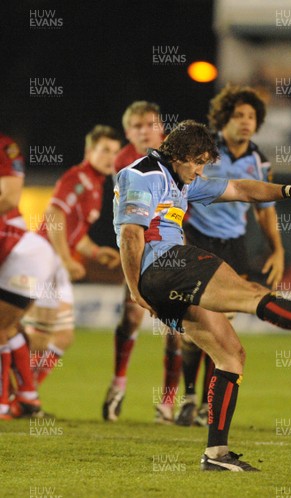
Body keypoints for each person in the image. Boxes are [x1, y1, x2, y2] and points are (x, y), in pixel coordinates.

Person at [114, 120, 291, 471]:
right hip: (164, 263)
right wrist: (138, 291)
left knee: (231, 354)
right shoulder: (142, 174)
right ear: (181, 155)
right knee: (252, 295)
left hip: (163, 276)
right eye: (198, 162)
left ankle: (216, 455)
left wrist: (290, 190)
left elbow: (242, 189)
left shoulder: (179, 180)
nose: (200, 171)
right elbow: (130, 236)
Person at [176, 84, 285, 427]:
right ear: (224, 118)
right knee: (192, 330)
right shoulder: (204, 149)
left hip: (232, 246)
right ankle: (189, 397)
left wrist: (277, 249)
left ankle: (209, 404)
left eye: (251, 116)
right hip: (196, 239)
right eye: (238, 115)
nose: (245, 122)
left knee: (222, 328)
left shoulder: (258, 160)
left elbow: (264, 209)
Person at [24, 126, 121, 387]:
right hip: (45, 258)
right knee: (40, 335)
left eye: (114, 151)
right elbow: (54, 215)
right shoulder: (77, 178)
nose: (110, 157)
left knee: (63, 337)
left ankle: (25, 391)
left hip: (57, 262)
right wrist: (67, 259)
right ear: (89, 151)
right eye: (104, 150)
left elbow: (76, 234)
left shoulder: (97, 186)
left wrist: (97, 252)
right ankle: (16, 391)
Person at [101, 101, 178, 423]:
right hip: (139, 245)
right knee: (132, 315)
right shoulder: (123, 163)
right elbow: (128, 217)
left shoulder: (176, 155)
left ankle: (169, 402)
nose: (144, 130)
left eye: (150, 124)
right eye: (137, 126)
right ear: (128, 132)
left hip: (174, 243)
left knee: (175, 326)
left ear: (161, 127)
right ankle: (118, 384)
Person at [0, 132, 48, 418]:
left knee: (4, 325)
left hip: (20, 251)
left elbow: (11, 195)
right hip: (28, 253)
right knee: (9, 325)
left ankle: (4, 403)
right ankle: (28, 396)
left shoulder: (5, 147)